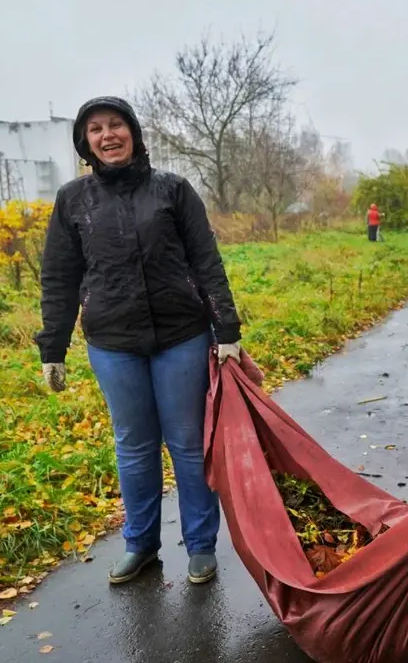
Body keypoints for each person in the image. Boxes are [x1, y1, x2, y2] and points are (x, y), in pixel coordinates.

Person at [35, 96, 256, 586]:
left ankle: (200, 546)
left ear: (133, 132)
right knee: (133, 447)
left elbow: (206, 262)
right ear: (84, 142)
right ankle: (141, 544)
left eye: (116, 125)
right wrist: (53, 346)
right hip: (113, 342)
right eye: (95, 129)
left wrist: (228, 332)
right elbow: (59, 276)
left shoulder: (173, 190)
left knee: (188, 445)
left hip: (181, 335)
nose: (107, 135)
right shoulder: (73, 200)